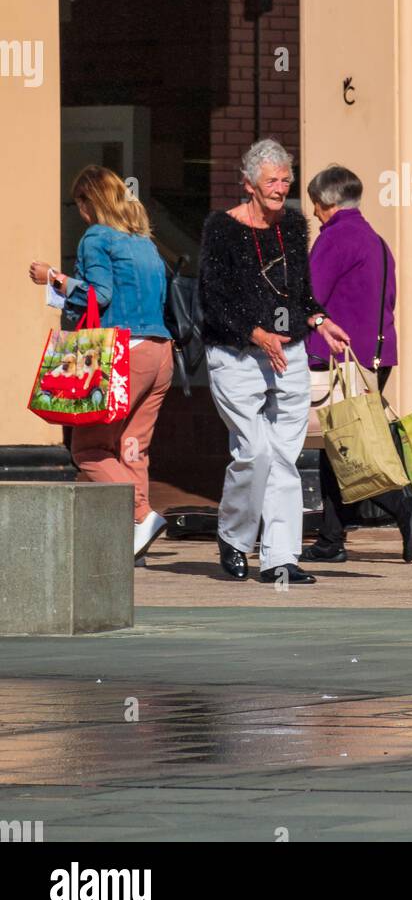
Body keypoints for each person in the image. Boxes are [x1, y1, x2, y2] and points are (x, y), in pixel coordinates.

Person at [198, 138, 350, 585]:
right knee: (254, 451)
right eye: (271, 180)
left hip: (291, 352)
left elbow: (299, 291)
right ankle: (233, 535)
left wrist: (319, 318)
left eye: (286, 179)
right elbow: (213, 297)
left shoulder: (295, 226)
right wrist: (256, 333)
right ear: (248, 184)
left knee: (284, 456)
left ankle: (280, 558)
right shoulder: (222, 229)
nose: (281, 188)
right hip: (236, 353)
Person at [29, 165, 173, 560]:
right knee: (132, 447)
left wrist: (52, 278)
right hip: (161, 352)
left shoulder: (97, 237)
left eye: (80, 204)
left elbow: (99, 294)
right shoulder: (144, 241)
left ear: (89, 202)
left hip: (124, 352)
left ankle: (141, 515)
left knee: (89, 450)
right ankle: (134, 539)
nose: (81, 214)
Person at [300, 165, 412, 565]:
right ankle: (331, 538)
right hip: (376, 355)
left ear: (329, 203)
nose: (314, 212)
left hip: (342, 360)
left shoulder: (335, 239)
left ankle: (399, 503)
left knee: (346, 447)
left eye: (316, 203)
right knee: (338, 445)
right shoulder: (376, 240)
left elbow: (310, 297)